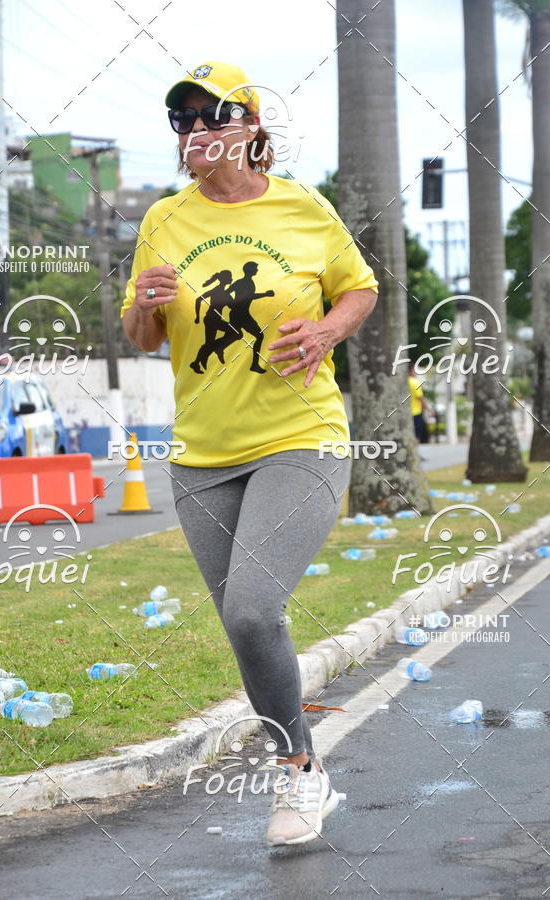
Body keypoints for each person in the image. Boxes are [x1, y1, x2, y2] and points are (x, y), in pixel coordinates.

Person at [120, 60, 379, 847]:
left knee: (251, 607)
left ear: (251, 127)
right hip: (202, 455)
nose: (197, 130)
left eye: (214, 115)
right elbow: (142, 335)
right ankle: (301, 760)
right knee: (247, 627)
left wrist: (328, 330)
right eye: (184, 119)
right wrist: (145, 305)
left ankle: (298, 773)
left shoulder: (303, 206)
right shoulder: (163, 219)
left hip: (301, 436)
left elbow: (360, 287)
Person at [408, 362, 431, 442]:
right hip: (416, 412)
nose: (416, 372)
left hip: (407, 413)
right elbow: (420, 398)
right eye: (414, 370)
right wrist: (429, 410)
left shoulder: (404, 382)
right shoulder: (415, 382)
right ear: (410, 371)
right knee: (417, 434)